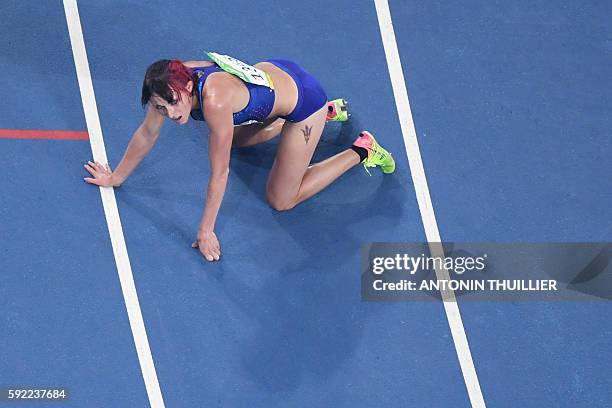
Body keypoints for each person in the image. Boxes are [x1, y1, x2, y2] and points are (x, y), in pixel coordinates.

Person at [84, 53, 395, 262]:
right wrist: (115, 177)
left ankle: (361, 149)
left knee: (281, 199)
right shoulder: (168, 85)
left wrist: (205, 230)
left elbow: (219, 174)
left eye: (171, 106)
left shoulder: (215, 102)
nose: (168, 113)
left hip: (303, 102)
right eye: (161, 108)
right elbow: (147, 133)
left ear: (188, 88)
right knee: (229, 140)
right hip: (278, 73)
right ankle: (327, 116)